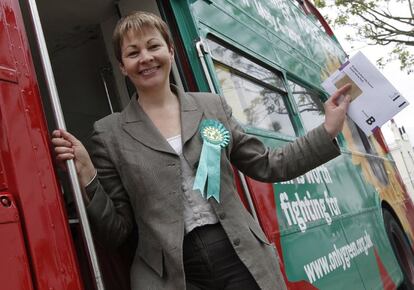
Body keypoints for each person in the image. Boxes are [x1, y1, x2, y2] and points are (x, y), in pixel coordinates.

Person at [52, 11, 351, 290]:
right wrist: (88, 176)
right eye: (133, 53)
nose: (145, 58)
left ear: (170, 50)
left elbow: (270, 165)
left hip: (241, 258)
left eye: (153, 46)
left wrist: (328, 130)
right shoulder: (109, 133)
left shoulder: (212, 106)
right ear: (122, 66)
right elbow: (116, 231)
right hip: (172, 275)